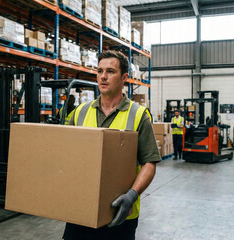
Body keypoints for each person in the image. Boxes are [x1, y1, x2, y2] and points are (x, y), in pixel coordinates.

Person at [62, 50, 161, 240]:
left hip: (120, 215)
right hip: (80, 211)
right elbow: (66, 156)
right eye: (99, 71)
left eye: (110, 71)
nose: (103, 77)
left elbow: (149, 162)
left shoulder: (139, 115)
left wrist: (132, 195)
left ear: (124, 77)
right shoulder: (80, 112)